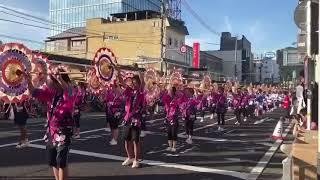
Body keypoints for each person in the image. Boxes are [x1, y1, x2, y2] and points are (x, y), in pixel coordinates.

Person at [20, 68, 75, 180]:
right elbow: (33, 92)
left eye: (49, 79)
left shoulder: (69, 93)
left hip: (64, 131)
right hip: (51, 131)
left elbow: (68, 90)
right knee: (53, 161)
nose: (47, 82)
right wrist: (28, 80)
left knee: (61, 161)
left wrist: (59, 77)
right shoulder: (51, 94)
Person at [118, 71, 145, 168]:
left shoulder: (141, 93)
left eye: (135, 83)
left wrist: (140, 75)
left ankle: (136, 160)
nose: (133, 84)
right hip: (127, 118)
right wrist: (117, 72)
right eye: (132, 83)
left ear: (138, 84)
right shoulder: (129, 91)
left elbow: (142, 83)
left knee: (135, 141)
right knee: (126, 139)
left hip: (136, 119)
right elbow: (122, 83)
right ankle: (130, 157)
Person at [162, 86, 180, 152]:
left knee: (174, 132)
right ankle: (169, 146)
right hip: (168, 117)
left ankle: (174, 146)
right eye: (168, 90)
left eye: (170, 90)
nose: (169, 91)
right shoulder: (167, 97)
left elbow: (179, 105)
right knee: (169, 132)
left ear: (173, 91)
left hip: (174, 118)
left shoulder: (177, 98)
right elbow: (163, 100)